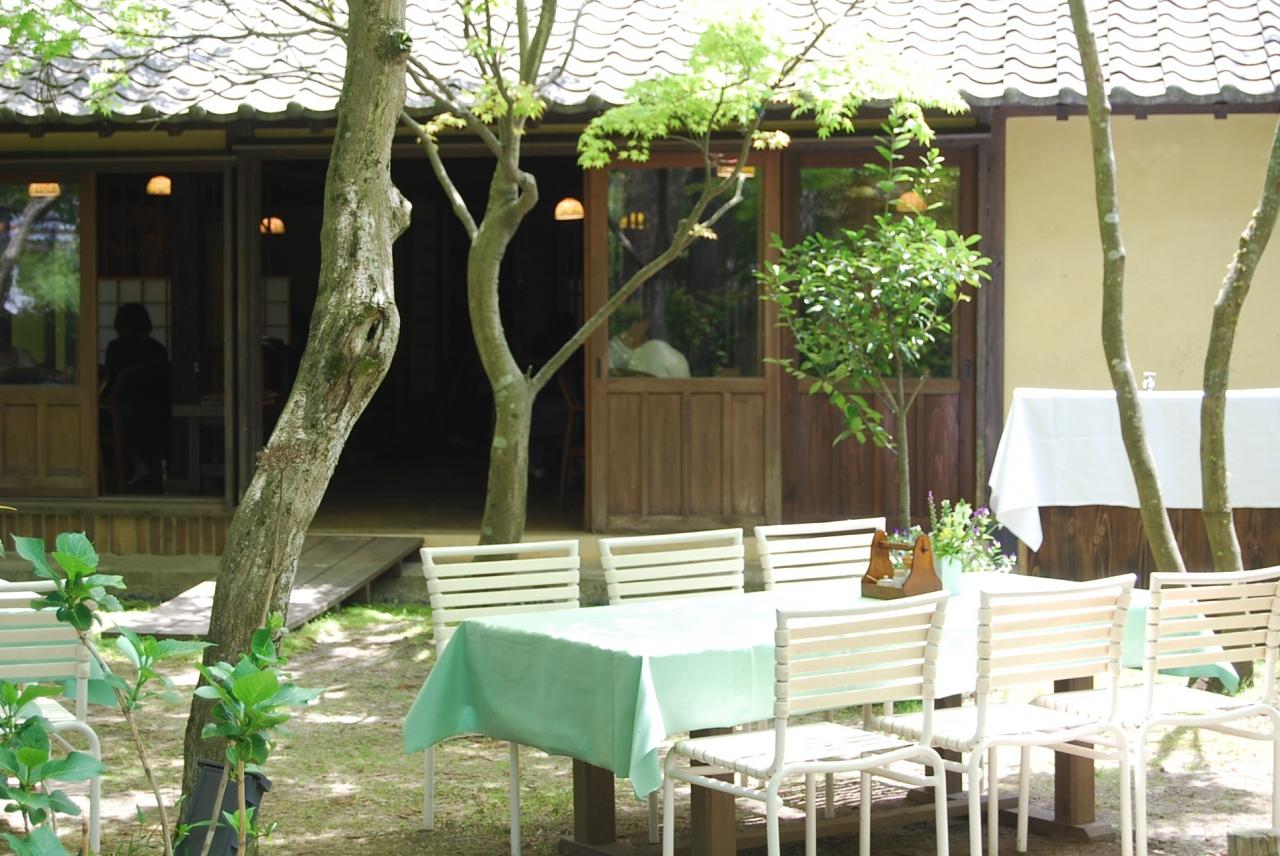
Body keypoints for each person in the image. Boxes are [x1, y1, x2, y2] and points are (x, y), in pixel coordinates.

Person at [101, 303, 171, 490]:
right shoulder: (157, 348)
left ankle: (135, 467)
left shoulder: (115, 348)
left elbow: (110, 382)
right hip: (159, 409)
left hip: (124, 411)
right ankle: (150, 467)